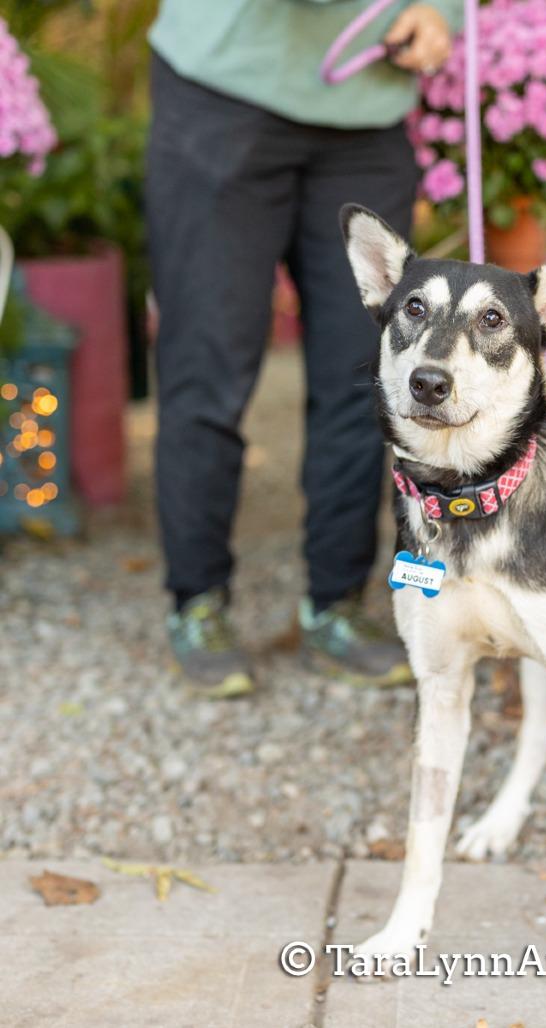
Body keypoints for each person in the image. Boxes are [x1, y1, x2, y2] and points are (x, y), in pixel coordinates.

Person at [146, 0, 460, 696]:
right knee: (207, 367)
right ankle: (197, 602)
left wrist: (440, 10)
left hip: (366, 116)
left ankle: (336, 605)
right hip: (220, 93)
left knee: (366, 375)